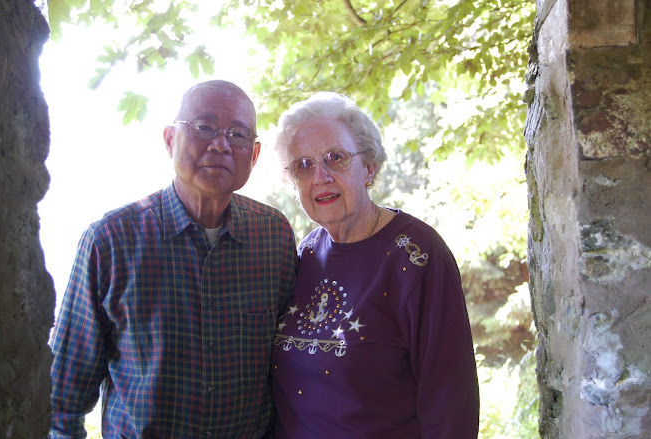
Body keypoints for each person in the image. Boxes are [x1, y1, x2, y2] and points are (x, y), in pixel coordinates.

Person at [50, 80, 297, 438]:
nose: (220, 144)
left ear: (254, 155)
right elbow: (61, 404)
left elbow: (289, 371)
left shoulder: (273, 236)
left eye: (238, 134)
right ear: (169, 140)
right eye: (204, 128)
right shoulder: (111, 241)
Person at [269, 92, 479, 438]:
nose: (319, 176)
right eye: (303, 165)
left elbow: (451, 404)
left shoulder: (418, 257)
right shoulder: (305, 254)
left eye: (335, 158)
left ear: (369, 167)